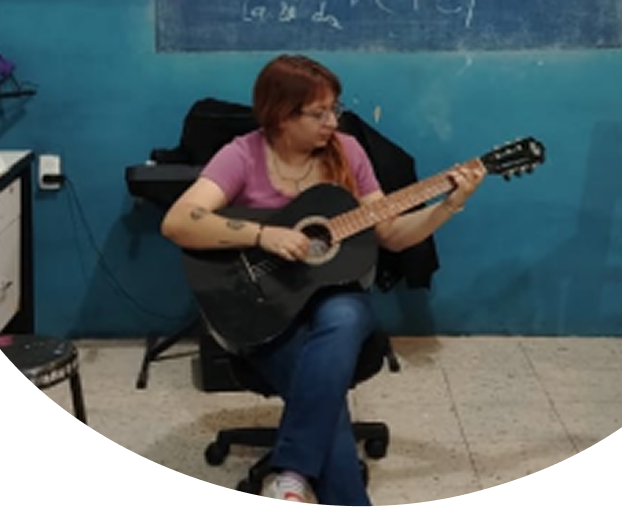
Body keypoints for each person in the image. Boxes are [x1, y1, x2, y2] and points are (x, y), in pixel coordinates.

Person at [161, 54, 485, 505]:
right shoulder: (243, 154)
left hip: (333, 298)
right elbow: (179, 221)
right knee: (324, 395)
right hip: (263, 307)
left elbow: (390, 234)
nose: (333, 121)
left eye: (334, 108)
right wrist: (264, 235)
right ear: (279, 114)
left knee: (347, 315)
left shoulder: (348, 153)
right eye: (319, 113)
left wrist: (448, 204)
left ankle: (290, 473)